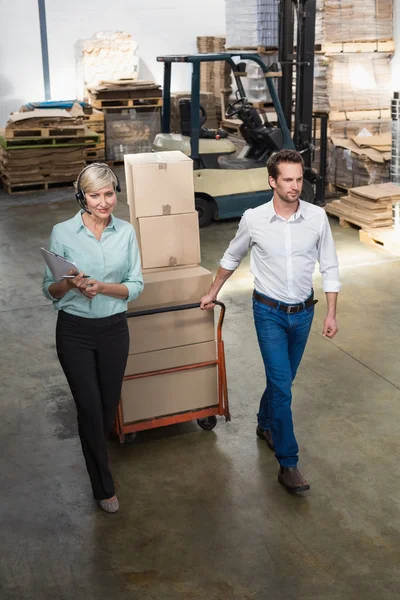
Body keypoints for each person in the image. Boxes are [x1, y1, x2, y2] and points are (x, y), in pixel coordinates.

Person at [200, 150, 341, 493]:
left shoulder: (317, 217)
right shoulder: (254, 219)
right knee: (281, 386)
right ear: (272, 181)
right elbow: (232, 256)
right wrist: (212, 291)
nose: (295, 186)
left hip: (304, 313)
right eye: (288, 180)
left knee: (284, 381)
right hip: (268, 313)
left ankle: (264, 423)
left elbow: (330, 265)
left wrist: (332, 312)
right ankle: (288, 464)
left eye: (299, 179)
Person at [42, 163, 143, 513]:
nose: (103, 202)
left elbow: (135, 285)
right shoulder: (63, 233)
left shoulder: (126, 233)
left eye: (109, 194)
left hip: (114, 330)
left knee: (105, 406)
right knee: (88, 407)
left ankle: (94, 448)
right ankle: (103, 485)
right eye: (95, 195)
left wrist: (103, 288)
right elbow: (49, 289)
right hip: (74, 332)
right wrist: (68, 283)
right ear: (81, 196)